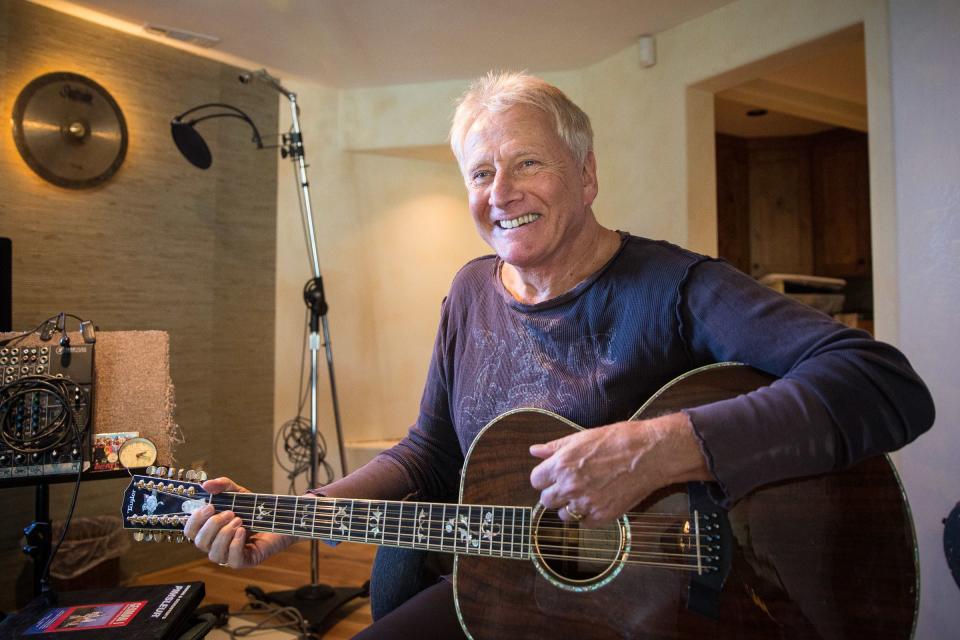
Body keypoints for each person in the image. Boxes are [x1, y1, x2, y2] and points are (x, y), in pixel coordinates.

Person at [185, 71, 934, 637]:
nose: (501, 192)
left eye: (527, 165)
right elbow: (429, 454)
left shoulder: (677, 287)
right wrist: (297, 516)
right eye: (481, 173)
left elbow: (883, 383)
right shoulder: (470, 292)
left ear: (587, 175)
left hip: (680, 608)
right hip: (518, 588)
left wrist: (668, 448)